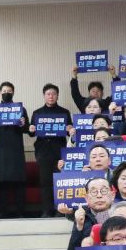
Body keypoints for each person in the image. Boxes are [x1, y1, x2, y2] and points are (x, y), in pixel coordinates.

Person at [0, 81, 30, 218]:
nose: (6, 93)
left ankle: (20, 212)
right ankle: (1, 212)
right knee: (0, 182)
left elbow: (27, 129)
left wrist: (23, 124)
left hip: (16, 149)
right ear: (0, 93)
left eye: (9, 91)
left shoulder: (21, 109)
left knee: (19, 181)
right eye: (4, 91)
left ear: (13, 92)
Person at [31, 83, 72, 217]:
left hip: (60, 151)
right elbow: (32, 133)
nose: (51, 96)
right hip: (43, 151)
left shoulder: (64, 112)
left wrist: (70, 129)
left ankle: (59, 211)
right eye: (48, 94)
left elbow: (70, 133)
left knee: (59, 181)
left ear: (57, 96)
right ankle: (47, 210)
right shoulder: (37, 113)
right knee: (45, 182)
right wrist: (30, 129)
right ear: (44, 96)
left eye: (54, 94)